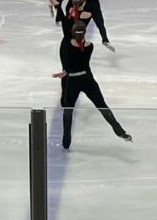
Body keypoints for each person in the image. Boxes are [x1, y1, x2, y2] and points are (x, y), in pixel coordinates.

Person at [52, 21, 132, 150]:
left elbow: (66, 31)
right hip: (88, 80)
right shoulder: (90, 47)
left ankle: (66, 143)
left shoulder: (68, 44)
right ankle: (120, 131)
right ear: (85, 33)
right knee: (102, 106)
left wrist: (66, 71)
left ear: (72, 33)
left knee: (68, 111)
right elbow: (79, 58)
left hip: (72, 82)